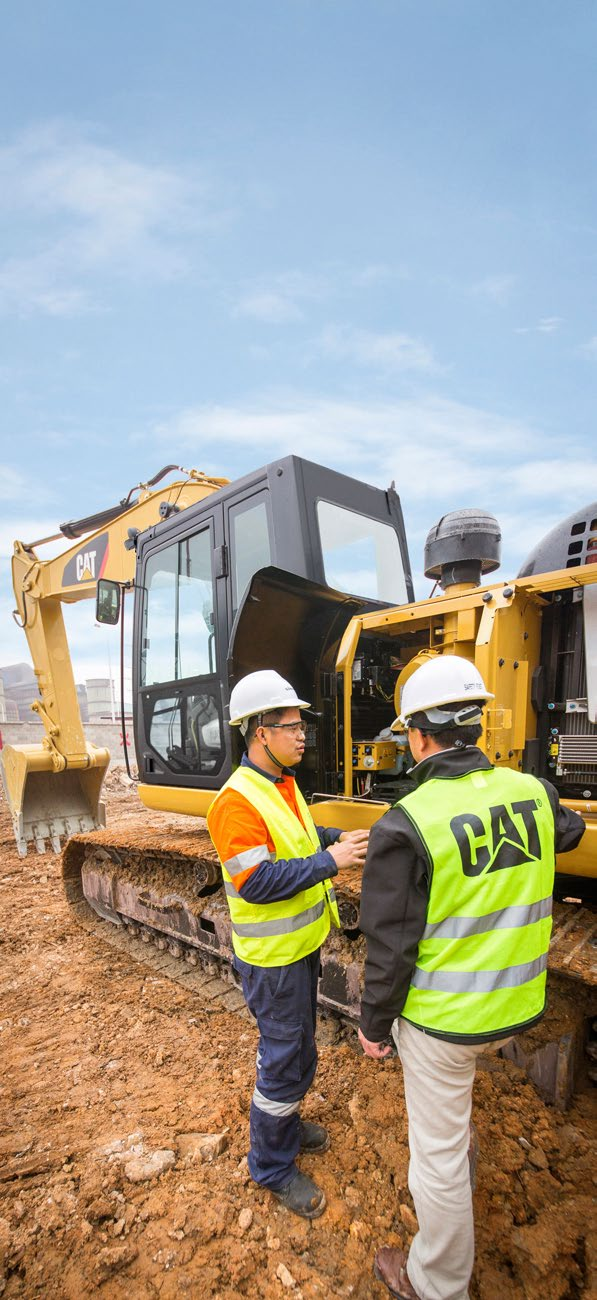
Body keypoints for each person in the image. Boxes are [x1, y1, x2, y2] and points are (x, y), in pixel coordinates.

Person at [357, 654, 585, 1300]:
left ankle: (436, 1284)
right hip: (517, 1006)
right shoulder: (532, 793)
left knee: (436, 1156)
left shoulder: (405, 824)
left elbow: (390, 949)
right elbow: (564, 832)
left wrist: (374, 1026)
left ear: (418, 736)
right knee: (452, 1129)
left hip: (444, 1025)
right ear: (476, 727)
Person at [207, 669, 369, 1219]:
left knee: (300, 1051)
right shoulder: (235, 802)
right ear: (259, 732)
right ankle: (270, 1165)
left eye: (301, 726)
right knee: (280, 1060)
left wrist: (331, 838)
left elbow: (296, 838)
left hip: (300, 950)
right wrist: (332, 862)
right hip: (272, 963)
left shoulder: (281, 783)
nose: (302, 735)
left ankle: (289, 1125)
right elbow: (258, 881)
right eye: (290, 726)